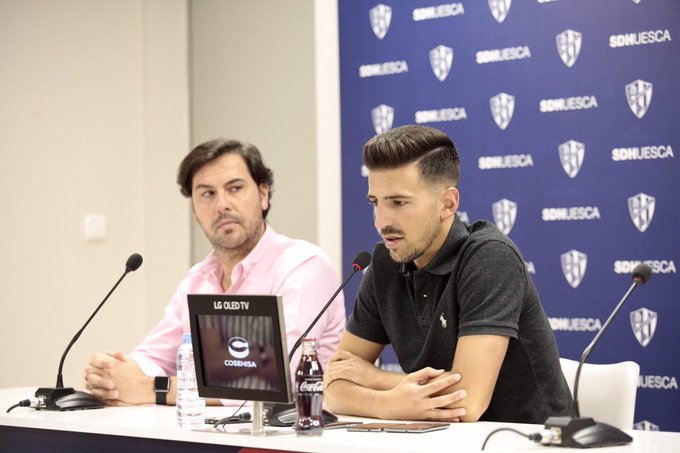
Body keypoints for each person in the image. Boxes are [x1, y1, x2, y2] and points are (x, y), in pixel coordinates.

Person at [323, 125, 571, 423]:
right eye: (375, 202)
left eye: (398, 202)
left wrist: (375, 380)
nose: (381, 221)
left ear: (448, 203)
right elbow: (333, 385)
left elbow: (466, 404)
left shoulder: (489, 257)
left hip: (524, 442)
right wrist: (391, 404)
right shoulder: (385, 264)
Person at [83, 138, 346, 406]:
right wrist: (113, 374)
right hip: (213, 436)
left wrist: (152, 388)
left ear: (264, 194)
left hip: (292, 437)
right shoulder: (197, 280)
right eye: (207, 194)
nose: (222, 205)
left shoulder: (302, 266)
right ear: (196, 211)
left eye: (235, 188)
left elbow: (278, 379)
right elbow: (154, 356)